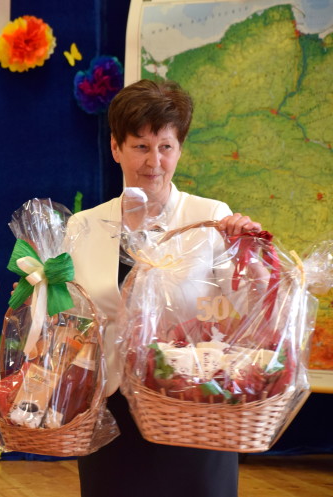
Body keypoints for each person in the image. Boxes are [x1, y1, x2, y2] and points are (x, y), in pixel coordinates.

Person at [67, 79, 262, 497]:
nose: (154, 161)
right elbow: (71, 318)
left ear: (179, 150)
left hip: (193, 403)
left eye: (166, 147)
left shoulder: (211, 217)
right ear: (116, 148)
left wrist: (249, 254)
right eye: (140, 146)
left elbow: (247, 305)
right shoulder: (83, 226)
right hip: (109, 413)